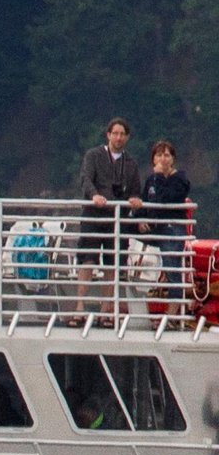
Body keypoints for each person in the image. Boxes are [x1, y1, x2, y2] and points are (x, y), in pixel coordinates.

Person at [72, 117, 141, 324]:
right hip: (94, 214)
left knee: (112, 264)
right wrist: (94, 195)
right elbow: (85, 179)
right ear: (108, 135)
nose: (118, 137)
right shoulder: (94, 155)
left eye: (122, 134)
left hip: (117, 218)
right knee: (88, 260)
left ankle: (106, 309)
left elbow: (136, 190)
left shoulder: (130, 163)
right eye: (115, 133)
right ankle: (79, 306)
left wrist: (135, 200)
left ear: (127, 138)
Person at [137, 139, 192, 318]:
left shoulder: (180, 179)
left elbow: (166, 199)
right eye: (159, 155)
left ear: (173, 159)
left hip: (172, 228)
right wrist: (141, 219)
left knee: (172, 269)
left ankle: (173, 311)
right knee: (126, 232)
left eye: (166, 155)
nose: (162, 159)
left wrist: (160, 177)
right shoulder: (150, 180)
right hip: (155, 227)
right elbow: (146, 201)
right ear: (153, 159)